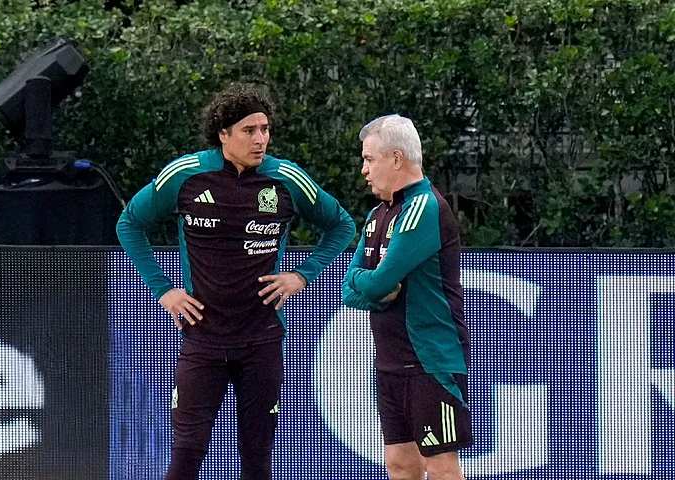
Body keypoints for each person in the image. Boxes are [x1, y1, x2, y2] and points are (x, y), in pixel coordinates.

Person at [117, 82, 355, 480]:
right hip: (203, 338)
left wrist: (302, 274)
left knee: (257, 458)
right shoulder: (186, 175)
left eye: (265, 129)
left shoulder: (286, 178)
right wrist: (164, 289)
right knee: (187, 454)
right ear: (223, 134)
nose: (260, 139)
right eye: (249, 130)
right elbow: (129, 223)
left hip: (261, 339)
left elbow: (342, 225)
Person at [342, 114, 471, 480]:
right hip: (390, 361)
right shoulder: (377, 214)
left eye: (369, 159)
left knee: (441, 467)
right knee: (399, 463)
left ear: (396, 158)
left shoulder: (423, 206)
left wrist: (372, 286)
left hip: (429, 361)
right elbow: (348, 287)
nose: (364, 170)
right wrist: (375, 290)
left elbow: (377, 281)